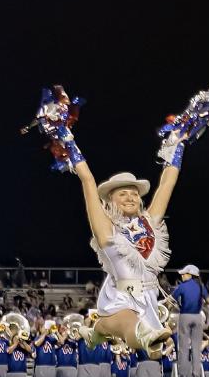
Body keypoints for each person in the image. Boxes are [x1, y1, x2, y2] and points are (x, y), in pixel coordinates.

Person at [59, 109, 184, 355]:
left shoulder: (149, 222)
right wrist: (65, 138)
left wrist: (179, 142)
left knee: (156, 351)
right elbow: (87, 179)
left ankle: (95, 333)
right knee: (133, 327)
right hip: (120, 296)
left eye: (135, 193)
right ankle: (105, 329)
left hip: (147, 294)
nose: (131, 197)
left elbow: (168, 182)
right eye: (123, 193)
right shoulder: (107, 228)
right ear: (111, 201)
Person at [171, 266, 207, 377]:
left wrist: (172, 304)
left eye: (184, 274)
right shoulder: (200, 286)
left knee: (184, 347)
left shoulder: (182, 286)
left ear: (189, 274)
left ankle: (184, 374)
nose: (182, 276)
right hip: (198, 316)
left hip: (185, 315)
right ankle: (196, 372)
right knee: (197, 346)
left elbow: (171, 299)